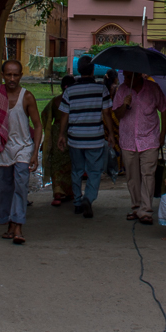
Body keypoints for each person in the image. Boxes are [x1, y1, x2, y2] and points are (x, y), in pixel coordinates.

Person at [0, 60, 41, 244]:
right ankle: (10, 223)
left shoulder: (27, 97)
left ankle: (18, 227)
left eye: (16, 75)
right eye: (8, 74)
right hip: (1, 150)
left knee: (20, 187)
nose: (12, 78)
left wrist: (34, 152)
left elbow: (38, 125)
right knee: (3, 190)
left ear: (21, 76)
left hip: (23, 149)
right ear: (3, 75)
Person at [57, 55, 113, 218]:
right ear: (93, 69)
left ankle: (77, 203)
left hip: (75, 139)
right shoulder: (101, 89)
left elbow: (64, 116)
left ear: (78, 70)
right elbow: (107, 114)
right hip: (95, 138)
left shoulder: (69, 91)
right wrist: (110, 134)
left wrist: (62, 135)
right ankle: (88, 198)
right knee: (95, 171)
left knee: (76, 170)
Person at [113, 69, 166, 224]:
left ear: (138, 75)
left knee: (148, 175)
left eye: (129, 76)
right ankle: (136, 207)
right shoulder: (122, 90)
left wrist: (162, 134)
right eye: (124, 76)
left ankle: (146, 210)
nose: (125, 79)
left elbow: (164, 110)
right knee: (132, 177)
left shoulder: (153, 89)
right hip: (128, 141)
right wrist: (125, 105)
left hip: (149, 139)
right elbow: (117, 114)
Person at [40, 75, 76, 206]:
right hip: (71, 133)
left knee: (56, 164)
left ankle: (58, 193)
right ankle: (70, 191)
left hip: (56, 134)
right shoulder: (74, 101)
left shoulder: (55, 101)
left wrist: (48, 130)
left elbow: (44, 114)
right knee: (71, 164)